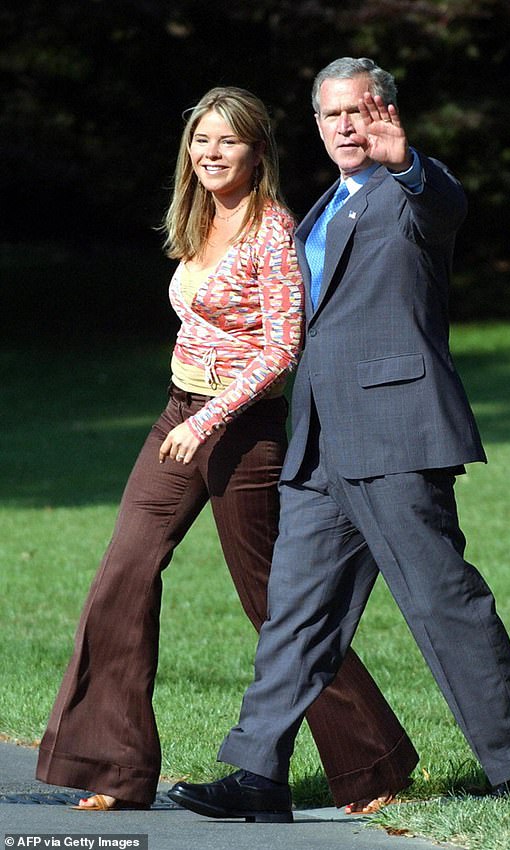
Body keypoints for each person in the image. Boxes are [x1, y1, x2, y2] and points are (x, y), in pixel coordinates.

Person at [167, 59, 510, 825]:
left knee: (441, 599)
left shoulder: (408, 191)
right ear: (317, 126)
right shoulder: (325, 204)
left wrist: (412, 164)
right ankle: (258, 772)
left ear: (385, 112)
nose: (346, 127)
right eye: (331, 116)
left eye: (359, 111)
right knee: (297, 611)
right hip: (320, 443)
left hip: (394, 434)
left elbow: (445, 206)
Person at [36, 85, 419, 813]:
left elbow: (282, 350)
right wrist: (187, 410)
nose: (210, 154)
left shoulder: (271, 231)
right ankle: (114, 768)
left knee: (278, 602)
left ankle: (374, 763)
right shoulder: (199, 217)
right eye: (201, 141)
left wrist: (208, 418)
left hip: (240, 434)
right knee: (122, 574)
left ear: (258, 152)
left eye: (227, 142)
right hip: (176, 417)